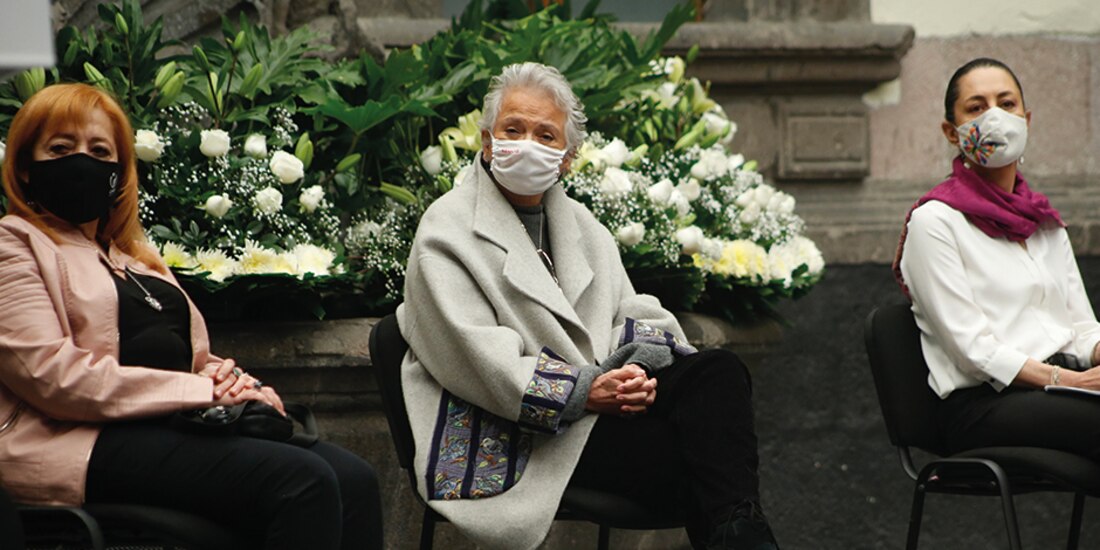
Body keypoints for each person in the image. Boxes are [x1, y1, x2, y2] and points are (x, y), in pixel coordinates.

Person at [398, 62, 779, 550]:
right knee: (704, 463)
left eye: (546, 135)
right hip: (520, 432)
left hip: (606, 406)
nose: (528, 143)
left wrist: (633, 373)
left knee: (719, 371)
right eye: (513, 129)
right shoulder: (446, 229)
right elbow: (476, 357)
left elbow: (634, 309)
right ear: (488, 143)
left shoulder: (581, 225)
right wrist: (587, 391)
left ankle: (742, 535)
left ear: (568, 158)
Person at [0, 83, 383, 550]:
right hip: (73, 440)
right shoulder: (13, 245)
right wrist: (198, 392)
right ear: (24, 168)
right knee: (302, 480)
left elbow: (189, 357)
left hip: (160, 430)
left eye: (100, 151)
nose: (83, 161)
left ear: (119, 174)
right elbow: (54, 378)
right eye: (61, 148)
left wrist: (241, 387)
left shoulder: (134, 258)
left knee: (355, 478)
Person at [895, 58, 1100, 460]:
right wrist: (1070, 380)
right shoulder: (935, 221)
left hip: (1062, 386)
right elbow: (974, 350)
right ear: (951, 132)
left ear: (1026, 119)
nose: (994, 116)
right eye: (976, 107)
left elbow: (1080, 328)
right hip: (984, 403)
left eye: (1006, 104)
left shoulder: (1042, 221)